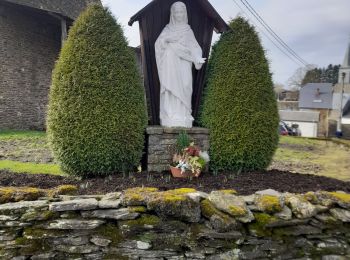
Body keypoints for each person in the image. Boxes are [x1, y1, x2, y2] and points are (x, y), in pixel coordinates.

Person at [155, 1, 206, 128]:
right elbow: (158, 44)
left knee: (186, 85)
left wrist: (198, 58)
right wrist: (167, 40)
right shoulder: (168, 29)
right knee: (171, 87)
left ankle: (184, 114)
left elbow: (194, 47)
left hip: (184, 63)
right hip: (170, 65)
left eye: (181, 12)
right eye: (176, 12)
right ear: (173, 14)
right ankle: (171, 114)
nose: (179, 14)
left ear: (185, 13)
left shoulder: (188, 30)